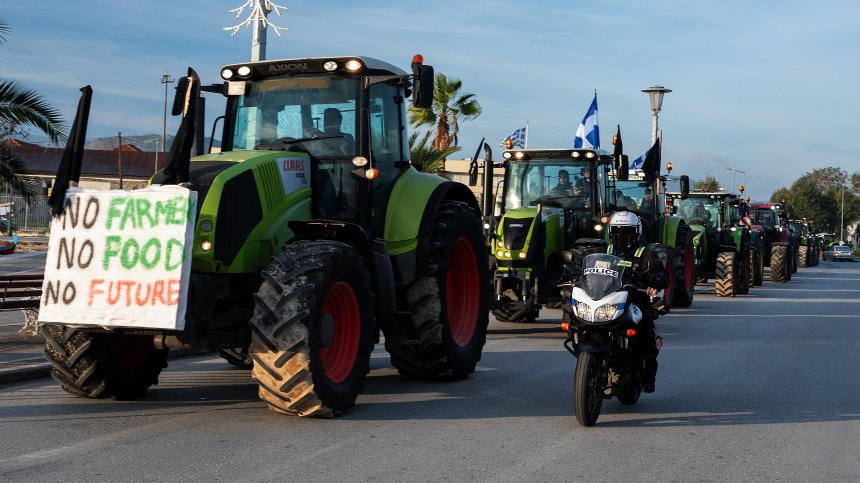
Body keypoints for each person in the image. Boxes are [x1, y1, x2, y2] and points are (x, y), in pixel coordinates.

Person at [606, 211, 667, 393]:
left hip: (635, 298)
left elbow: (660, 274)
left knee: (646, 324)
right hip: (608, 299)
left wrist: (655, 283)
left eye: (627, 231)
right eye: (616, 230)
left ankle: (648, 371)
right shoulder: (605, 251)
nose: (621, 235)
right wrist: (574, 275)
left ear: (637, 232)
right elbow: (587, 267)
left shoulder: (645, 253)